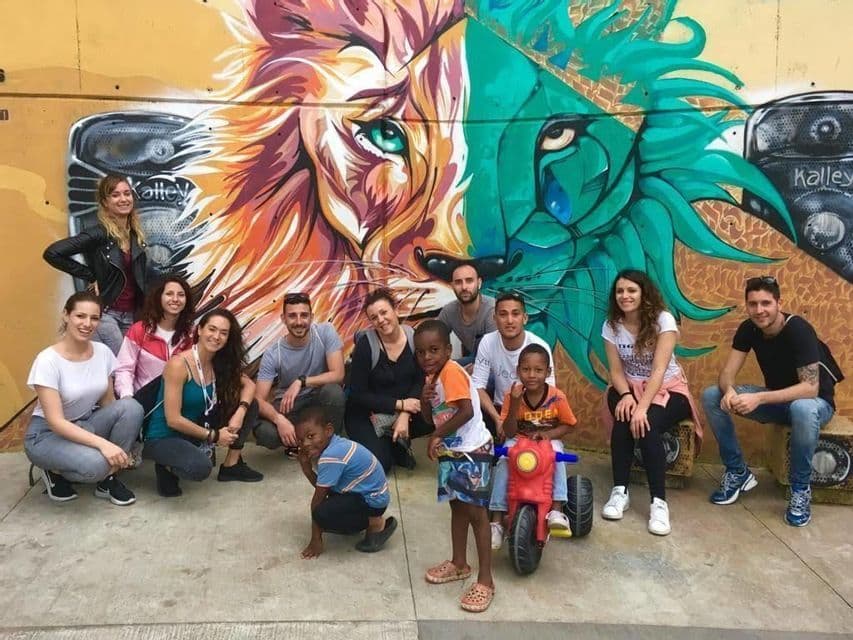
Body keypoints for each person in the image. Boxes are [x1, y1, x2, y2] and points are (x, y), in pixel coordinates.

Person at [702, 276, 840, 527]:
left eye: (766, 303)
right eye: (753, 304)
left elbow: (810, 388)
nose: (759, 310)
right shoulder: (749, 328)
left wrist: (759, 397)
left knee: (802, 407)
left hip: (815, 405)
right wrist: (730, 391)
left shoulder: (798, 329)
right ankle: (737, 471)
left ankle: (800, 490)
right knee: (713, 395)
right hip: (779, 403)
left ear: (779, 303)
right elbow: (726, 375)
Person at [600, 270, 700, 536]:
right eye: (620, 291)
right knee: (623, 418)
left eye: (631, 290)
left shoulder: (662, 321)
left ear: (644, 293)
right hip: (628, 387)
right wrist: (626, 396)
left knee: (646, 425)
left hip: (668, 387)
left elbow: (658, 371)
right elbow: (616, 372)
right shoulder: (611, 325)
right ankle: (619, 491)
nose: (625, 296)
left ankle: (659, 503)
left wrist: (642, 407)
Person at [24, 292, 143, 505]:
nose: (87, 323)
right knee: (97, 465)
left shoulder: (103, 352)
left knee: (131, 407)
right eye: (80, 316)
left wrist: (118, 441)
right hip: (47, 435)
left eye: (94, 318)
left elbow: (108, 402)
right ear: (66, 316)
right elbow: (56, 422)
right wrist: (104, 445)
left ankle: (108, 478)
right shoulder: (47, 360)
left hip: (85, 424)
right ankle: (54, 470)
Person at [416, 320, 495, 614]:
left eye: (434, 350)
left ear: (448, 349)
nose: (427, 357)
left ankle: (486, 580)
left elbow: (467, 410)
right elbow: (431, 417)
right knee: (457, 507)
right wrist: (425, 402)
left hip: (472, 451)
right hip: (454, 451)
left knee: (476, 514)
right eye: (421, 352)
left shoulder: (451, 372)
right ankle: (459, 563)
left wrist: (437, 435)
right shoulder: (432, 378)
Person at [142, 309, 263, 497]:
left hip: (197, 427)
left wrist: (240, 413)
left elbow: (248, 385)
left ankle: (231, 464)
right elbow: (173, 420)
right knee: (199, 468)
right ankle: (165, 466)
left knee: (251, 404)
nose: (216, 337)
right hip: (165, 436)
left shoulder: (219, 361)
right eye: (212, 329)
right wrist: (214, 436)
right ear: (199, 330)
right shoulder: (179, 364)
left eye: (223, 333)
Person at [43, 174, 149, 354]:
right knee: (121, 367)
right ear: (105, 202)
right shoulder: (98, 234)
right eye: (115, 195)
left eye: (127, 193)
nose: (123, 199)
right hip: (106, 313)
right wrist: (91, 275)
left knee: (124, 371)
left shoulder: (135, 235)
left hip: (131, 315)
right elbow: (53, 253)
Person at [488, 344, 577, 549]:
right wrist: (515, 405)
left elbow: (569, 424)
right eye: (526, 369)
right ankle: (497, 519)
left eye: (538, 370)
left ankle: (556, 508)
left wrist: (548, 435)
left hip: (548, 440)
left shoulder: (557, 397)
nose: (532, 375)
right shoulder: (512, 396)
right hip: (519, 439)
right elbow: (509, 431)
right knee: (503, 462)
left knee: (557, 457)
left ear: (548, 372)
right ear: (518, 371)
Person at [345, 288, 432, 472]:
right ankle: (391, 444)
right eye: (374, 317)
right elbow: (358, 394)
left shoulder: (414, 338)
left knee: (430, 415)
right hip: (366, 414)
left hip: (400, 410)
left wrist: (405, 414)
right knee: (381, 465)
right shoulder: (366, 346)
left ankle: (395, 438)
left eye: (384, 312)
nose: (381, 320)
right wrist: (400, 404)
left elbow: (420, 379)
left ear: (395, 310)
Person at [297, 406, 397, 559]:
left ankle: (375, 524)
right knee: (327, 506)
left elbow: (318, 500)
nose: (305, 444)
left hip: (373, 501)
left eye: (311, 436)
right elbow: (324, 488)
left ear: (328, 430)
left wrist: (315, 539)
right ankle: (366, 519)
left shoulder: (331, 455)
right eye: (301, 439)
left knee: (321, 513)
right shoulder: (336, 444)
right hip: (371, 495)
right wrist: (306, 468)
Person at [253, 292, 346, 452]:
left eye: (304, 315)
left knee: (334, 392)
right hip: (290, 408)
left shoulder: (325, 332)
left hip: (318, 402)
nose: (298, 322)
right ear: (283, 319)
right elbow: (258, 400)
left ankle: (330, 447)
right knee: (265, 433)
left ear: (311, 317)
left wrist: (301, 381)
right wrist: (279, 420)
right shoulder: (274, 353)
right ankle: (301, 442)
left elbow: (338, 374)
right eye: (292, 316)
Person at [471, 291, 555, 441]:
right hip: (499, 410)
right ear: (494, 319)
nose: (509, 320)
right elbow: (477, 385)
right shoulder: (487, 342)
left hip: (531, 413)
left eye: (515, 314)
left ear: (525, 318)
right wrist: (498, 419)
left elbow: (549, 393)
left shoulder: (539, 347)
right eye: (503, 314)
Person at [114, 276, 195, 402]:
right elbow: (124, 369)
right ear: (159, 297)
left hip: (178, 405)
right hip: (144, 404)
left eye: (181, 295)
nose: (175, 299)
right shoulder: (139, 330)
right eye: (169, 294)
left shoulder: (190, 335)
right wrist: (128, 398)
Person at [437, 262, 496, 367]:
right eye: (458, 282)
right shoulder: (449, 311)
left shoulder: (492, 309)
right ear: (452, 286)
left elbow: (495, 355)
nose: (464, 287)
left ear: (479, 283)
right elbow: (435, 338)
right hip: (473, 358)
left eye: (469, 281)